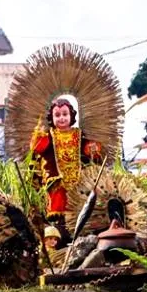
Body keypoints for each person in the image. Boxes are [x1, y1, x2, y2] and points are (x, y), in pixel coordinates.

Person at [30, 97, 104, 242]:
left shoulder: (78, 134)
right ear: (51, 118)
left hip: (79, 181)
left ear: (72, 115)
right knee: (58, 209)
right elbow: (39, 148)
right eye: (57, 115)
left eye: (65, 114)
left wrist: (92, 150)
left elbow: (88, 150)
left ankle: (80, 233)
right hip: (57, 181)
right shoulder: (50, 135)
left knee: (80, 207)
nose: (61, 118)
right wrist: (38, 134)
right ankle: (59, 234)